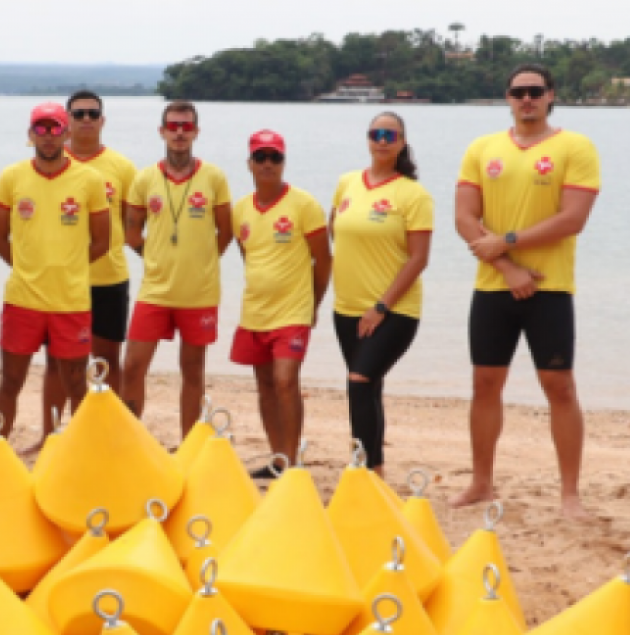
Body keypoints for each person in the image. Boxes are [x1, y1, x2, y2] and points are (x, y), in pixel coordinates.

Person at [450, 64, 601, 519]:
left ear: (551, 95)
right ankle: (480, 482)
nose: (527, 99)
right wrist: (506, 266)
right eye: (519, 92)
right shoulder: (482, 148)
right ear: (508, 98)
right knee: (485, 384)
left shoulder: (574, 147)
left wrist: (509, 241)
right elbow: (464, 218)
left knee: (560, 387)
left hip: (550, 288)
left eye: (536, 91)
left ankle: (569, 492)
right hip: (494, 286)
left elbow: (572, 219)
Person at [0, 102, 109, 439]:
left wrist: (67, 266)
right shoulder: (12, 176)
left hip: (70, 300)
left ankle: (81, 454)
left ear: (66, 133)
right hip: (22, 299)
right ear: (31, 134)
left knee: (76, 384)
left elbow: (101, 242)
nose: (48, 136)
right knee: (10, 382)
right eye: (40, 129)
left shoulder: (90, 179)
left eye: (55, 128)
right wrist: (29, 265)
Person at [329, 112, 432, 476]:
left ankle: (363, 468)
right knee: (369, 388)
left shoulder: (412, 194)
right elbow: (334, 230)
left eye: (391, 134)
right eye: (377, 133)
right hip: (345, 309)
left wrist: (380, 306)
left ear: (403, 142)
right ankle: (377, 471)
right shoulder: (346, 184)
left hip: (394, 311)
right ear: (368, 139)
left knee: (358, 383)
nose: (383, 140)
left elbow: (419, 258)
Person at [124, 101, 233, 440]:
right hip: (155, 290)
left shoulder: (213, 177)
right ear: (162, 132)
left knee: (192, 372)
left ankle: (188, 446)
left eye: (186, 127)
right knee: (132, 367)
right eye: (173, 126)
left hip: (198, 293)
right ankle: (131, 443)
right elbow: (131, 232)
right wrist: (153, 256)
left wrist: (200, 259)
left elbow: (225, 231)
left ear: (196, 132)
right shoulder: (145, 178)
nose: (180, 132)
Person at [34, 90, 136, 444]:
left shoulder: (121, 167)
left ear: (103, 120)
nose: (86, 120)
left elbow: (123, 222)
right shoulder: (49, 165)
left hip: (108, 277)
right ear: (66, 122)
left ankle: (108, 434)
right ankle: (51, 433)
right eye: (78, 114)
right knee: (56, 362)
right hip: (60, 281)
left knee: (106, 361)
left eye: (93, 114)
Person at [231, 130, 331, 474]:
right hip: (255, 311)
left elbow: (324, 260)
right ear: (250, 164)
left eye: (275, 157)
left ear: (284, 162)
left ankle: (292, 462)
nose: (268, 164)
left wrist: (313, 305)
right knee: (265, 385)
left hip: (293, 311)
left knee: (286, 380)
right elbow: (250, 256)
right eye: (261, 157)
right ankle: (277, 459)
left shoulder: (304, 205)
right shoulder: (240, 209)